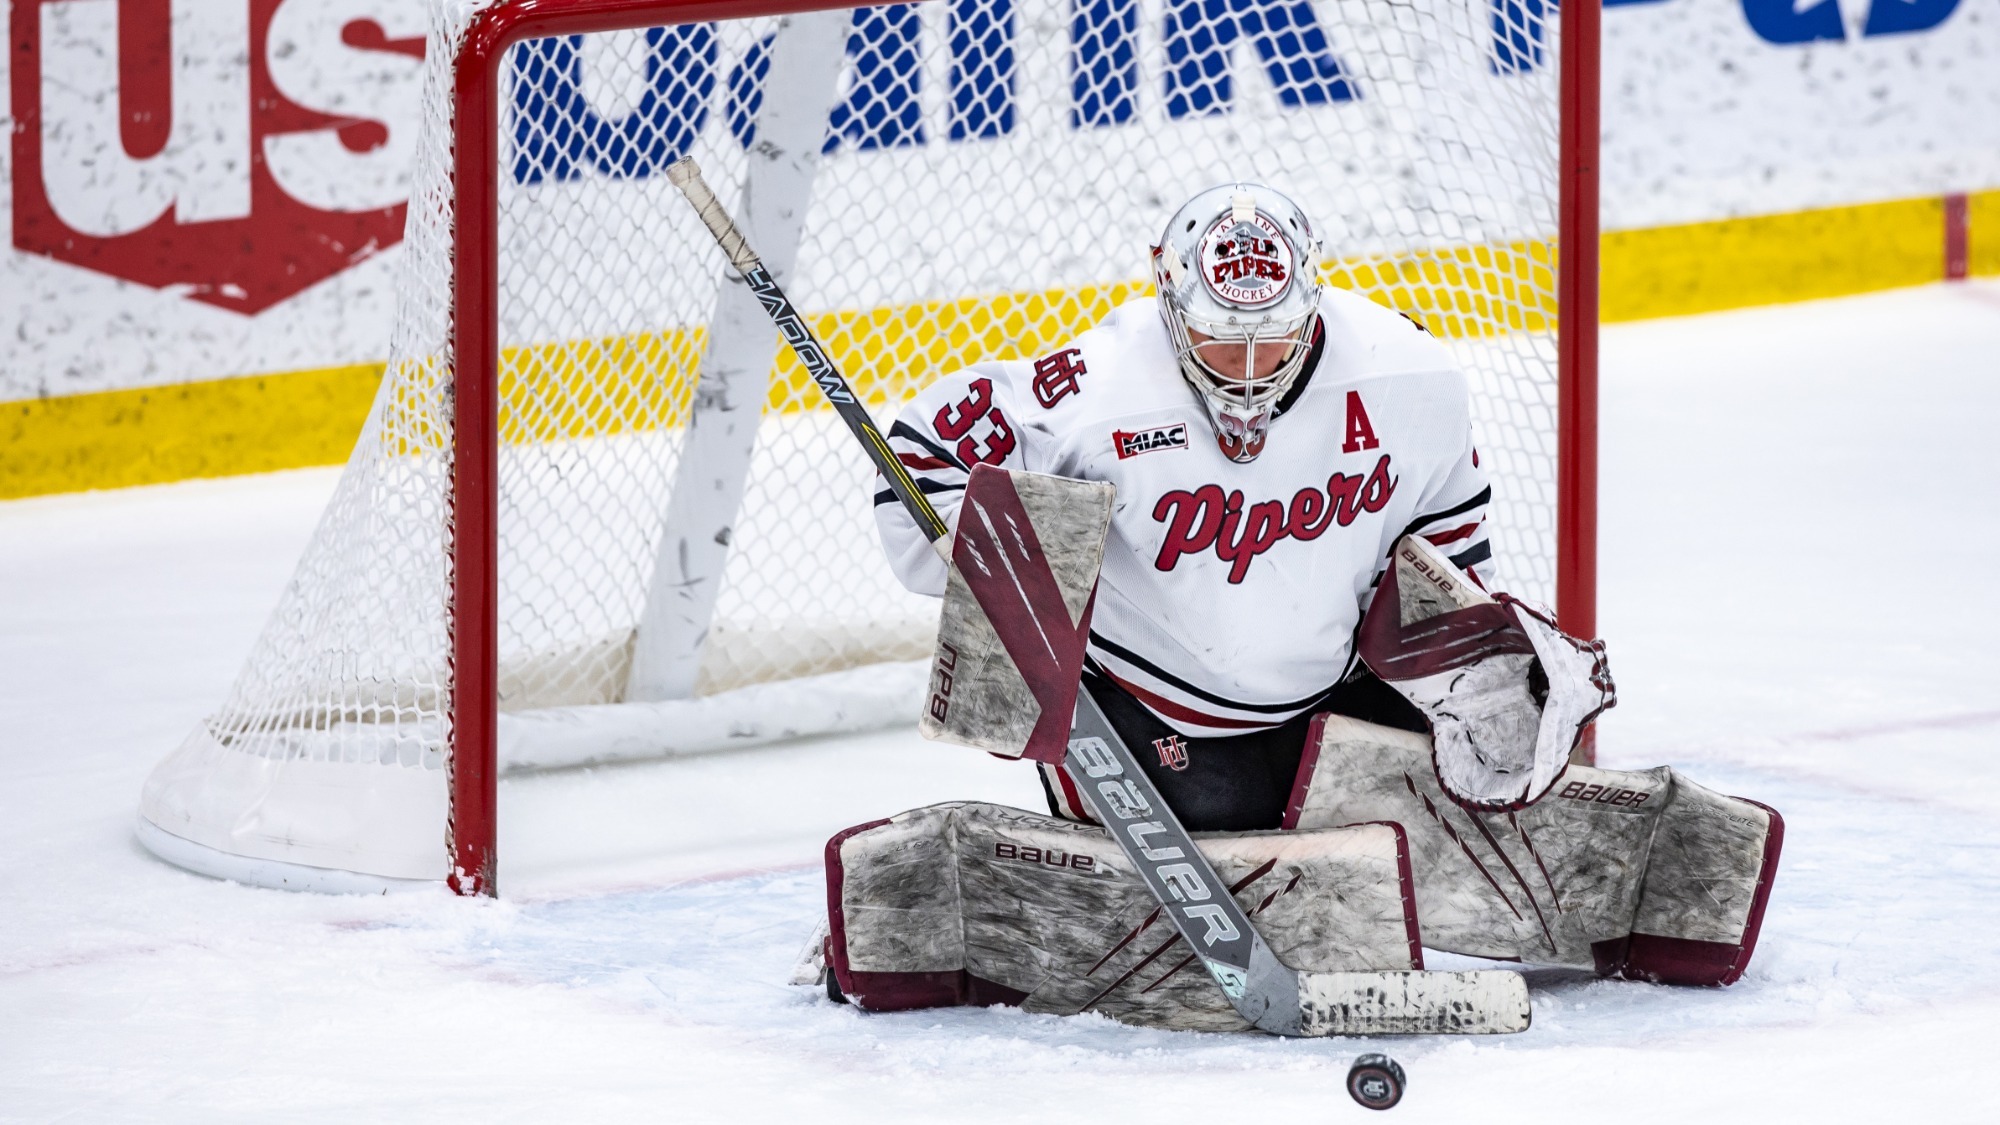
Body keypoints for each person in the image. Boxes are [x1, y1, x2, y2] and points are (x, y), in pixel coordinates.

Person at [874, 182, 1495, 831]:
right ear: (1169, 300)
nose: (1248, 366)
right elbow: (922, 450)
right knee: (1219, 815)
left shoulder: (1405, 374)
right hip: (1150, 706)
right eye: (1221, 336)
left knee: (1424, 808)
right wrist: (987, 574)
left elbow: (1447, 534)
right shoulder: (1103, 390)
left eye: (1274, 335)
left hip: (1331, 695)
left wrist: (1474, 673)